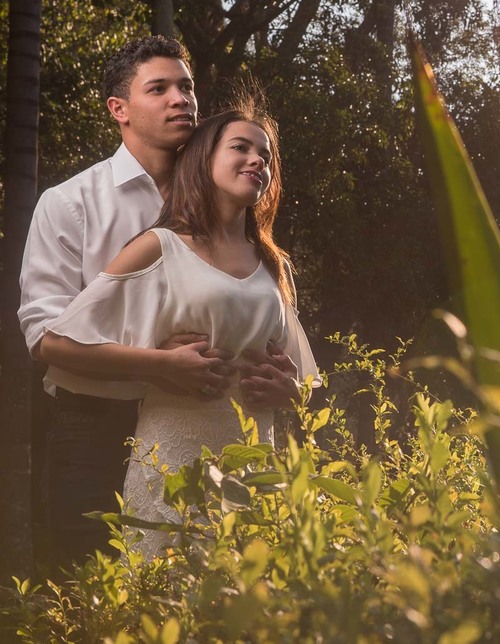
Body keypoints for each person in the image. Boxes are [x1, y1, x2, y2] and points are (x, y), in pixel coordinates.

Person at [18, 36, 297, 567]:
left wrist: (283, 383)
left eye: (187, 87)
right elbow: (44, 338)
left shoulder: (230, 203)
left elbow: (258, 329)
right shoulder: (71, 203)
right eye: (160, 88)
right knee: (90, 602)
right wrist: (160, 364)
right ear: (118, 109)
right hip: (94, 428)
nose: (181, 99)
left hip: (210, 432)